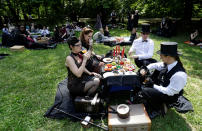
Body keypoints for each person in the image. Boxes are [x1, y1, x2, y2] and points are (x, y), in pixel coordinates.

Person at [138, 42, 187, 117]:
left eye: (161, 55)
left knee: (145, 91)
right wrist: (146, 68)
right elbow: (155, 65)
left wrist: (153, 86)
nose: (160, 57)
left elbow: (169, 92)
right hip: (163, 85)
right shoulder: (169, 63)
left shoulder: (179, 75)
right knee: (149, 75)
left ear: (168, 57)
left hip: (169, 96)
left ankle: (160, 108)